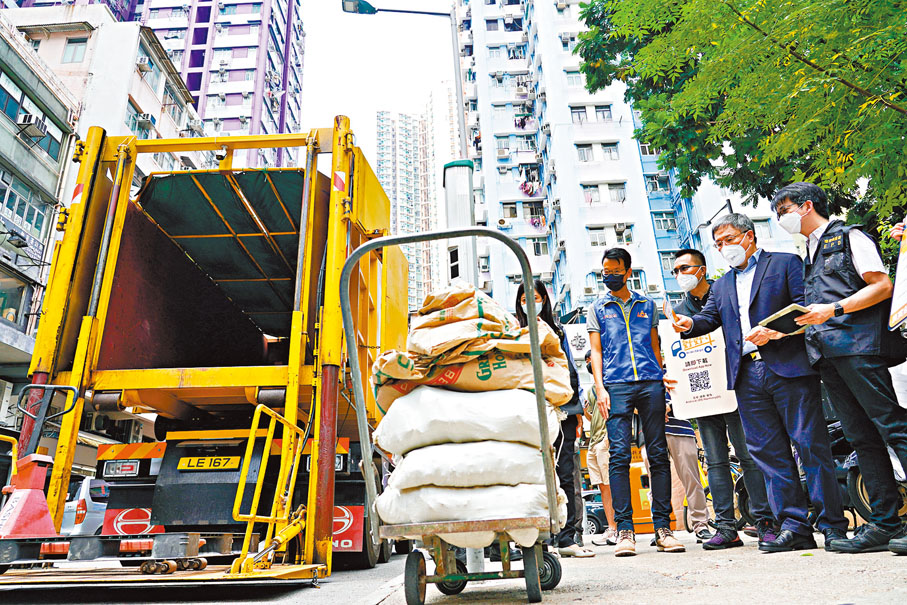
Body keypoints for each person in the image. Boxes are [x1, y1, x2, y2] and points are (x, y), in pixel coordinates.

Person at [671, 213, 848, 552]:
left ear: (749, 236)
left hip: (788, 366)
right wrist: (687, 323)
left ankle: (832, 525)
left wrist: (778, 333)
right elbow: (709, 318)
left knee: (810, 445)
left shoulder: (785, 264)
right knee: (769, 453)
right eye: (718, 244)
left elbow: (806, 309)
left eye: (729, 239)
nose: (724, 248)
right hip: (746, 375)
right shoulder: (722, 285)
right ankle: (793, 526)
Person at [771, 183, 907, 553]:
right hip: (828, 355)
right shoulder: (809, 254)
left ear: (806, 206)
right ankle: (884, 524)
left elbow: (881, 285)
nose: (780, 218)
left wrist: (833, 310)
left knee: (894, 427)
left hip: (860, 347)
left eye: (783, 210)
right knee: (861, 438)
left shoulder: (850, 236)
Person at [671, 249, 776, 550]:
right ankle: (727, 526)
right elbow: (676, 351)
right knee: (715, 461)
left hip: (736, 386)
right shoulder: (678, 311)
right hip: (703, 395)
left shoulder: (726, 292)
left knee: (749, 455)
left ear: (701, 269)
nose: (680, 275)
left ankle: (764, 522)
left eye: (684, 268)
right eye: (675, 270)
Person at [587, 247, 683, 556]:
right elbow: (597, 352)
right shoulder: (597, 308)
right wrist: (600, 389)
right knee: (618, 456)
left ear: (628, 272)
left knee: (657, 454)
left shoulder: (647, 305)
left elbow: (655, 346)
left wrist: (663, 387)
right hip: (616, 386)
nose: (609, 276)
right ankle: (625, 532)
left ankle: (663, 529)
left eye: (615, 270)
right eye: (605, 271)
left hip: (651, 384)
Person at [516, 280, 594, 558]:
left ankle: (568, 538)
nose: (530, 303)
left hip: (561, 412)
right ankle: (538, 538)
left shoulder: (557, 331)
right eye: (525, 298)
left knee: (566, 474)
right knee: (532, 475)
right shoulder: (514, 332)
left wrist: (575, 409)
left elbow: (568, 371)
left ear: (545, 300)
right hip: (527, 413)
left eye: (535, 297)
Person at [663, 395, 712, 543]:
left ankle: (701, 525)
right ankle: (661, 528)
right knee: (656, 483)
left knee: (692, 480)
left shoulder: (675, 370)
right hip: (650, 429)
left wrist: (671, 403)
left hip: (682, 427)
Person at [583, 350, 618, 547]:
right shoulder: (591, 390)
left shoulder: (610, 384)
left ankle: (620, 528)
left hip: (605, 438)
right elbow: (592, 416)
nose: (589, 364)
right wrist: (586, 412)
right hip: (593, 441)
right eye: (587, 361)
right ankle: (611, 527)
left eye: (591, 360)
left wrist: (609, 439)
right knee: (602, 486)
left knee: (612, 483)